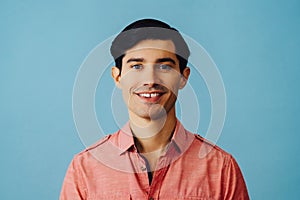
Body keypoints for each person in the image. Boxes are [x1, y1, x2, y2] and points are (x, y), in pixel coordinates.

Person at [60, 18, 249, 200]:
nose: (150, 80)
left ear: (183, 77)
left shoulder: (222, 168)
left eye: (164, 67)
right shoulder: (84, 168)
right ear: (117, 77)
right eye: (136, 66)